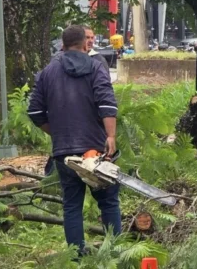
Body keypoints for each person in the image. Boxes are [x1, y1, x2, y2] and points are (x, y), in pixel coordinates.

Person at [27, 25, 121, 254]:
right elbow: (107, 103)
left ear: (63, 44)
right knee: (108, 201)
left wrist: (57, 132)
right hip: (95, 150)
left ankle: (75, 257)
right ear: (84, 44)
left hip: (64, 152)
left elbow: (35, 112)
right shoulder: (97, 67)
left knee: (72, 205)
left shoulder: (48, 72)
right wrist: (110, 136)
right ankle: (115, 253)